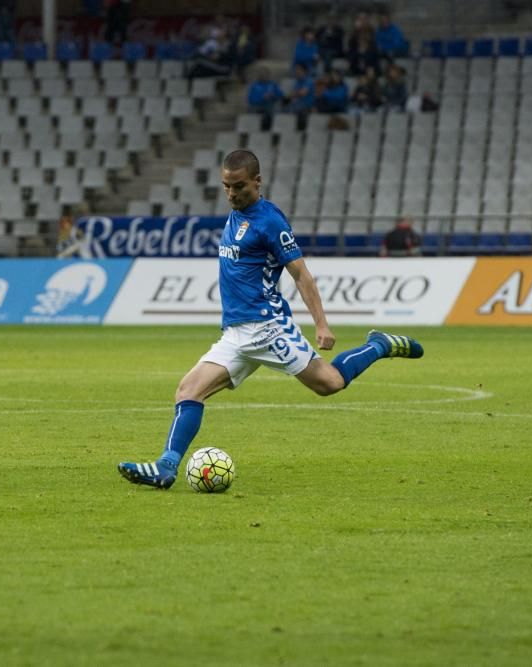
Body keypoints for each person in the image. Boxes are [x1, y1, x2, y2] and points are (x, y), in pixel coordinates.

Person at [117, 149, 423, 490]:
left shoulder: (271, 222)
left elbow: (301, 274)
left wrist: (321, 324)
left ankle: (378, 345)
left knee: (330, 384)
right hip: (235, 334)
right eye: (226, 187)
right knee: (188, 390)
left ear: (257, 182)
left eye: (239, 187)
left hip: (267, 327)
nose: (231, 194)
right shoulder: (236, 214)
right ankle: (166, 467)